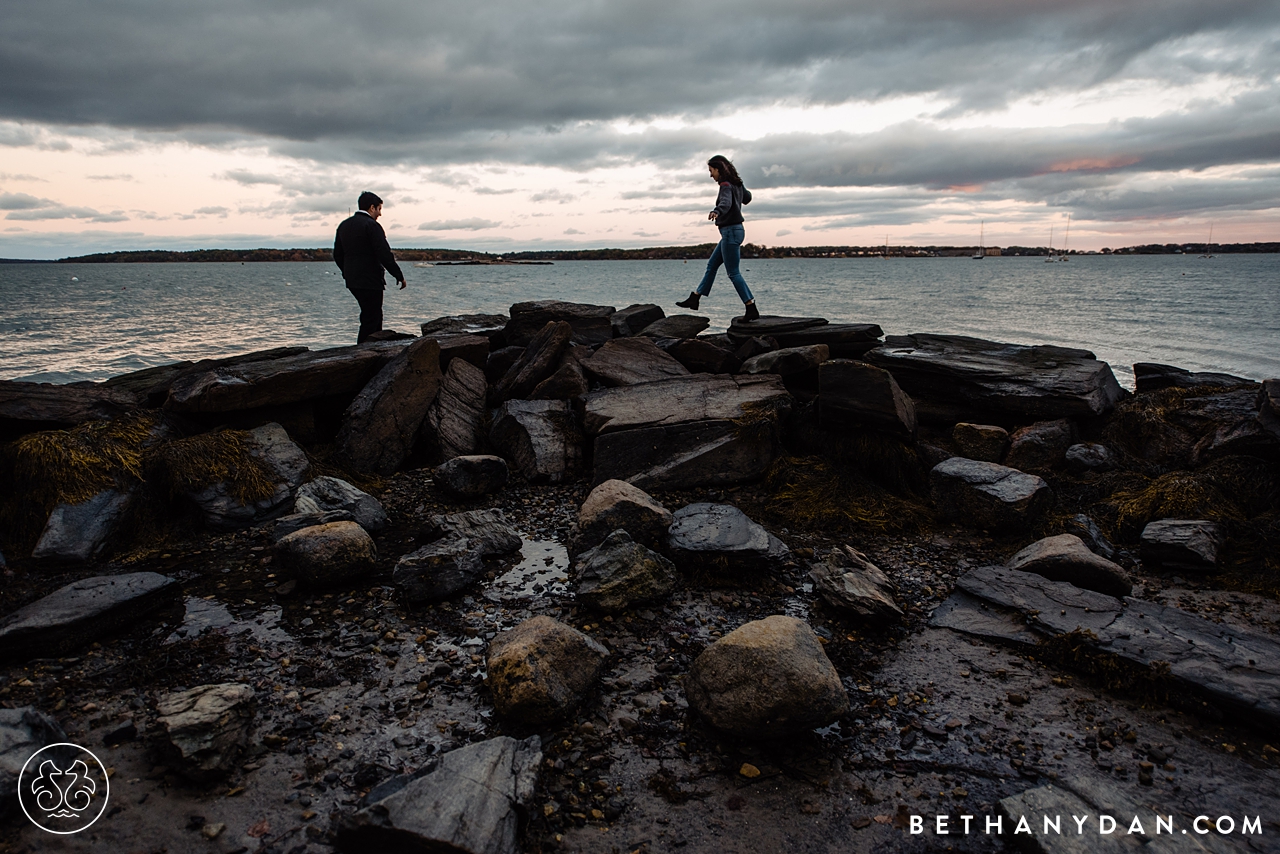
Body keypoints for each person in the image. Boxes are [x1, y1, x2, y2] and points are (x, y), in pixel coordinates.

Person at [676, 155, 759, 321]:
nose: (710, 175)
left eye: (711, 171)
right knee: (712, 265)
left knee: (733, 273)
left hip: (730, 232)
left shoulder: (725, 185)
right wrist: (740, 187)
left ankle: (751, 307)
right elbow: (747, 199)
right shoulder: (735, 184)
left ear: (718, 169)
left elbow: (726, 203)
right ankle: (695, 297)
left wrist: (717, 211)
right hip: (734, 231)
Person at [333, 191, 407, 343]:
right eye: (379, 209)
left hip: (353, 280)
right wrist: (398, 275)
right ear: (372, 208)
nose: (380, 214)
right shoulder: (372, 226)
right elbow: (383, 253)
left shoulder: (344, 225)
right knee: (373, 317)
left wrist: (346, 272)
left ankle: (364, 349)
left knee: (367, 314)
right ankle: (368, 351)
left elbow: (337, 254)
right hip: (371, 279)